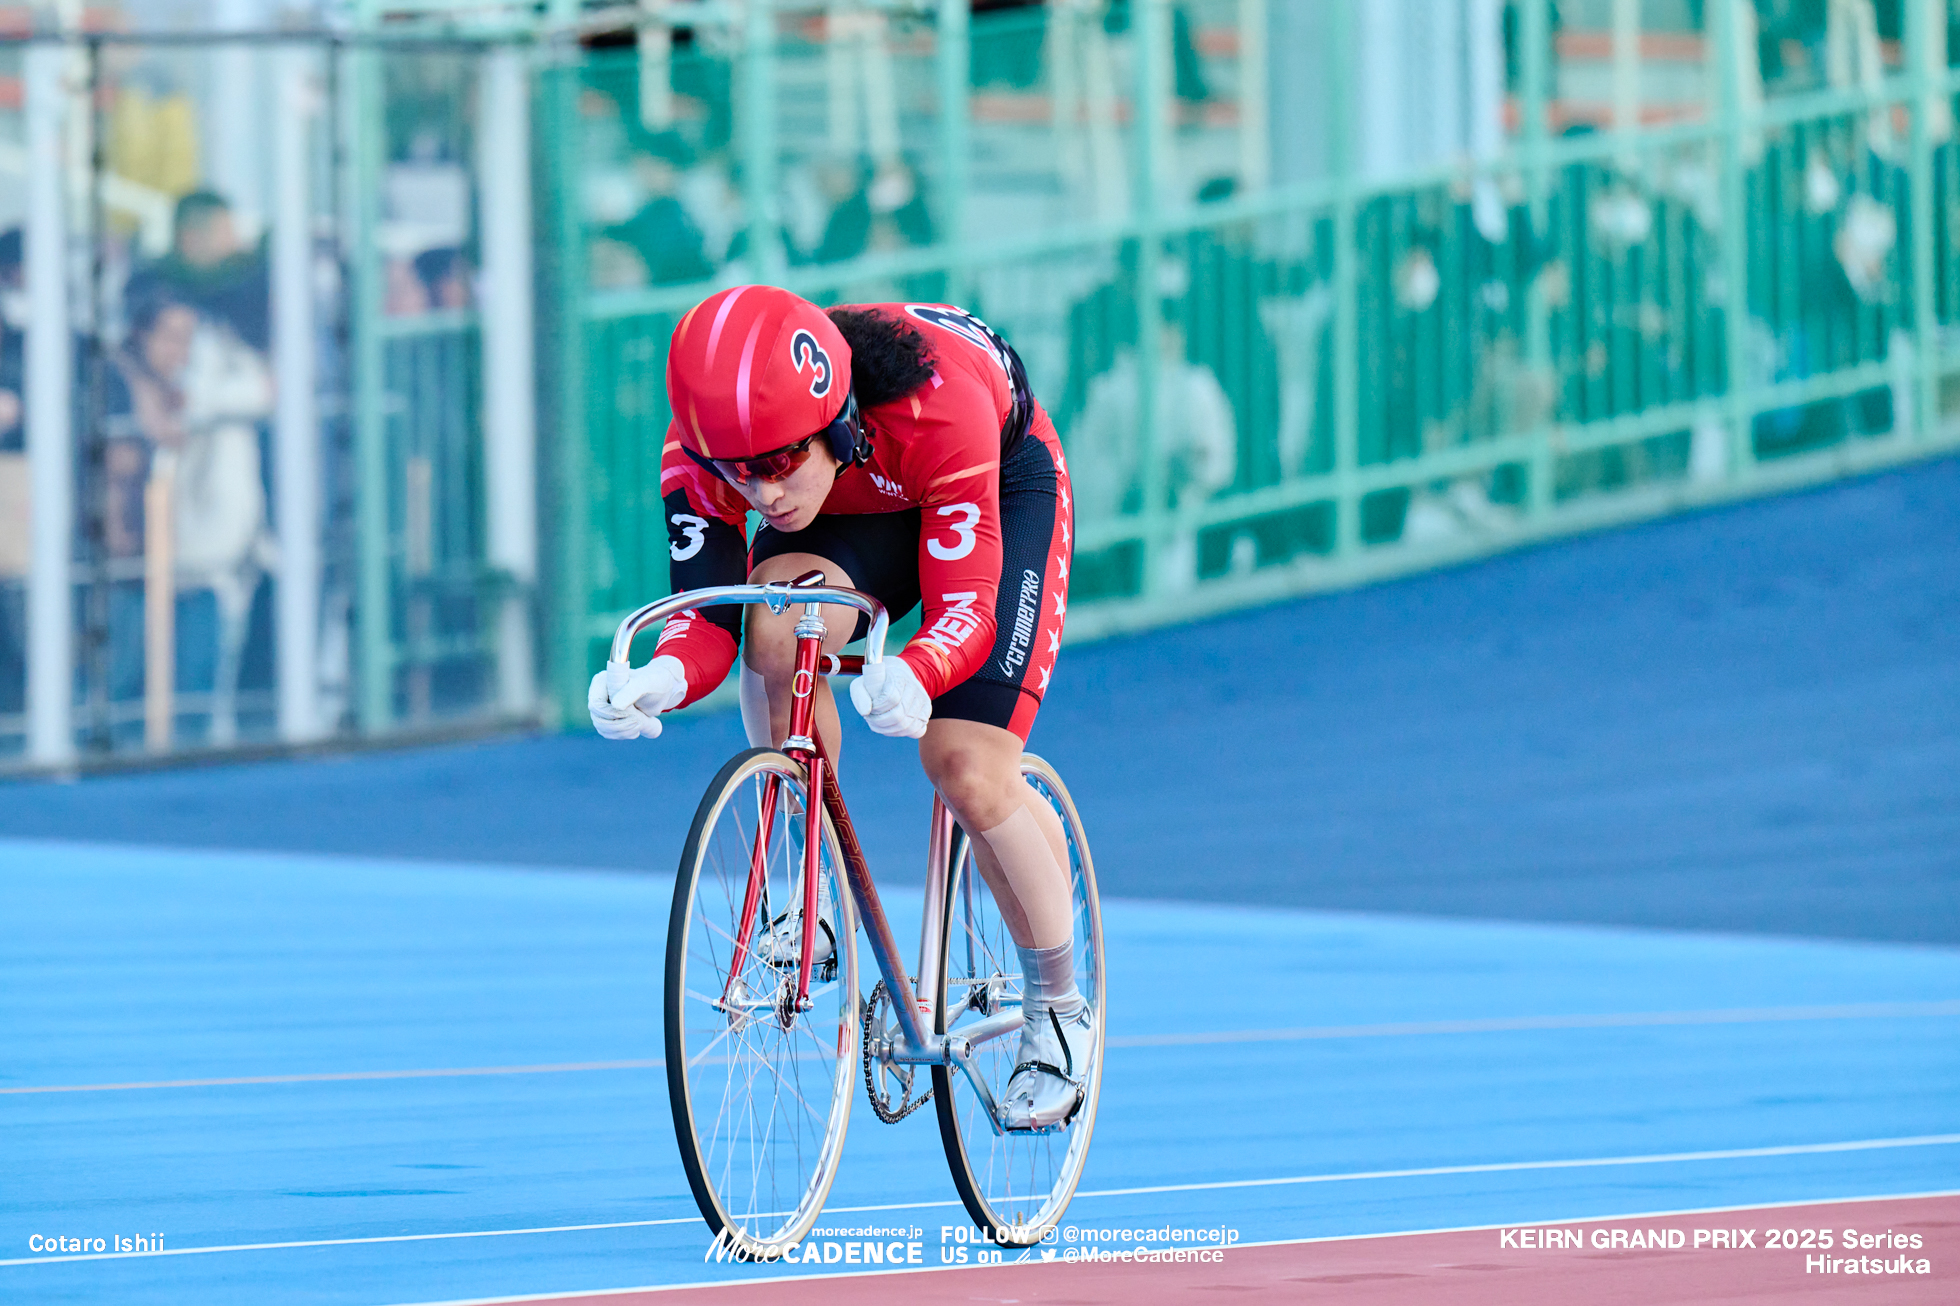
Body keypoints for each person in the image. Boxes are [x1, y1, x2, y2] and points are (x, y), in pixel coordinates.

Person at [588, 286, 1087, 1130]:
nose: (760, 495)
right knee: (774, 631)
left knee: (965, 766)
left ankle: (1060, 1009)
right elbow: (711, 621)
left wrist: (919, 671)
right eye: (735, 474)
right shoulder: (709, 447)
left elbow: (966, 604)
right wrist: (659, 681)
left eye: (778, 464)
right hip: (855, 508)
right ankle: (816, 888)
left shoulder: (938, 407)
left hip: (990, 480)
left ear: (838, 420)